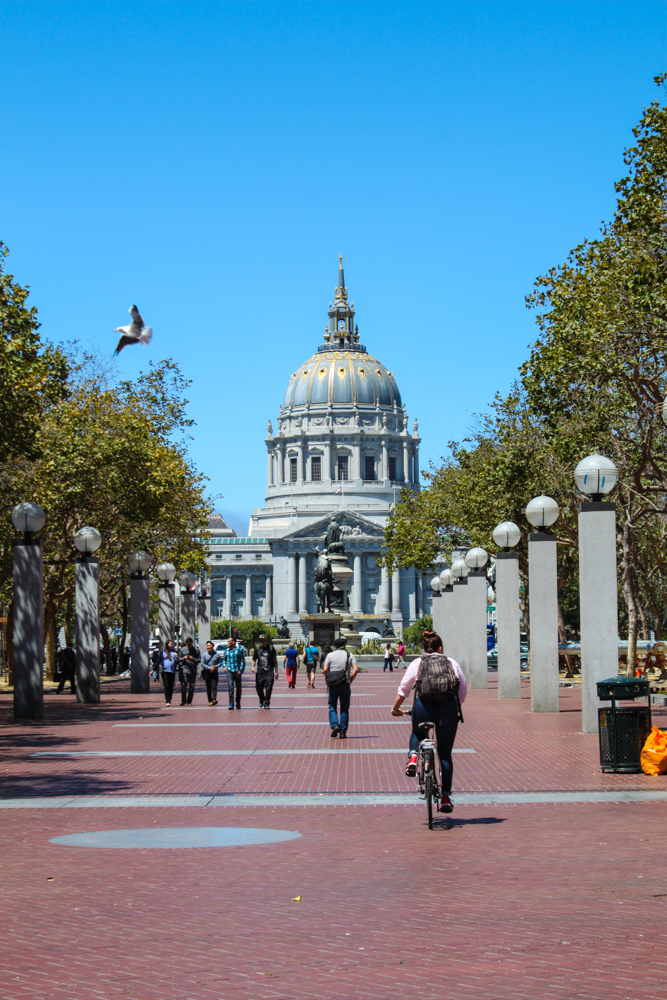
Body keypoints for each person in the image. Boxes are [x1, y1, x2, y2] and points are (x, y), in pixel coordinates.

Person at [391, 629, 467, 814]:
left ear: (423, 648)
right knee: (445, 755)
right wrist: (456, 707)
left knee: (417, 733)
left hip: (423, 708)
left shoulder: (418, 663)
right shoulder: (451, 662)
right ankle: (446, 797)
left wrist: (395, 709)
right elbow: (462, 689)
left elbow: (404, 689)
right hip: (447, 710)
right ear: (440, 648)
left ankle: (413, 756)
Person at [322, 636, 359, 739]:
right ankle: (343, 731)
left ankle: (334, 725)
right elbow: (355, 669)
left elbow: (325, 669)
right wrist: (350, 680)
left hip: (333, 684)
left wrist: (327, 679)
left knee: (332, 706)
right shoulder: (349, 655)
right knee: (344, 708)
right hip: (345, 684)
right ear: (344, 646)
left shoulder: (330, 655)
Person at [252, 635, 279, 708]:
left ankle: (266, 702)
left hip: (269, 672)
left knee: (269, 688)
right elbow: (254, 659)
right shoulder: (257, 649)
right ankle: (261, 699)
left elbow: (275, 661)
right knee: (258, 687)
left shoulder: (271, 649)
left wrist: (276, 671)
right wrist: (252, 667)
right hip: (260, 672)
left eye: (264, 640)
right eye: (261, 641)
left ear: (267, 640)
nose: (263, 642)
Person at [222, 635, 246, 710]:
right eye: (228, 641)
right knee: (230, 686)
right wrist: (224, 666)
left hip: (237, 671)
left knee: (238, 688)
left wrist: (241, 670)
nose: (228, 642)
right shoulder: (226, 650)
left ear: (233, 642)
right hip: (229, 671)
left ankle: (238, 701)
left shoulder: (239, 649)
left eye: (229, 641)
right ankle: (231, 703)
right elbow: (224, 659)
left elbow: (242, 660)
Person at [178, 637, 200, 706]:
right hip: (184, 669)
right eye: (188, 645)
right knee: (184, 685)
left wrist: (193, 659)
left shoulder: (196, 650)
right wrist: (183, 658)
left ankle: (189, 701)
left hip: (193, 670)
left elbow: (199, 660)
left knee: (192, 686)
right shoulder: (182, 649)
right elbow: (178, 659)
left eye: (190, 644)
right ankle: (183, 701)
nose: (189, 646)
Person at [200, 640, 222, 705]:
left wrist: (215, 666)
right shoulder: (204, 654)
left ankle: (214, 699)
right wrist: (209, 668)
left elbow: (220, 662)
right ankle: (210, 700)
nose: (208, 647)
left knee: (214, 686)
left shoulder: (217, 654)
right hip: (207, 672)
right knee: (208, 687)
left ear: (212, 646)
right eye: (207, 646)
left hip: (214, 672)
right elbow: (202, 663)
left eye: (209, 645)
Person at [160, 640, 178, 706]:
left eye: (172, 644)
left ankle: (170, 698)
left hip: (172, 671)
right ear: (167, 645)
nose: (172, 645)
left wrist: (176, 659)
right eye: (170, 644)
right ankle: (167, 700)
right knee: (166, 685)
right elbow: (159, 660)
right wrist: (153, 670)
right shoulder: (163, 652)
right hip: (165, 671)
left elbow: (177, 662)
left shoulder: (174, 652)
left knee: (171, 686)